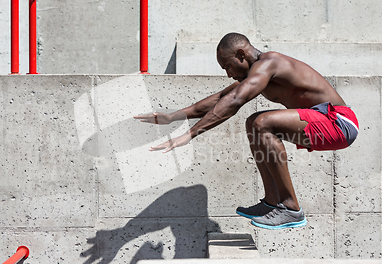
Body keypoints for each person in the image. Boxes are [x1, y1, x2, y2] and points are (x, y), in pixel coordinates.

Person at [134, 32, 359, 230]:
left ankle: (290, 207)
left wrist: (190, 134)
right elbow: (221, 98)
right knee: (254, 122)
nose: (229, 74)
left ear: (241, 54)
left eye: (228, 66)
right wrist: (174, 116)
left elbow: (235, 101)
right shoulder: (258, 73)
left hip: (339, 123)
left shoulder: (268, 64)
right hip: (324, 123)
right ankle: (272, 203)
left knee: (262, 122)